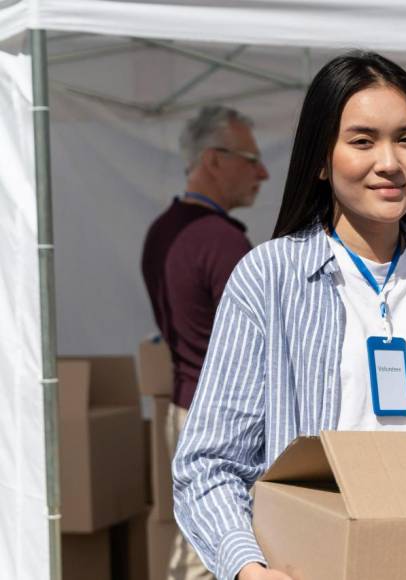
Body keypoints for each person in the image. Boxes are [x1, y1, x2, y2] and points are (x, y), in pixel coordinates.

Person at [171, 51, 406, 580]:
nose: (390, 162)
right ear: (321, 159)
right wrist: (248, 568)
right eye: (363, 141)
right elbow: (208, 463)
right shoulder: (270, 277)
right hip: (312, 564)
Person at [141, 105, 269, 580]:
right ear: (213, 160)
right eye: (250, 159)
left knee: (193, 545)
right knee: (216, 553)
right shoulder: (221, 242)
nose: (263, 172)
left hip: (183, 407)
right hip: (220, 422)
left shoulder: (161, 232)